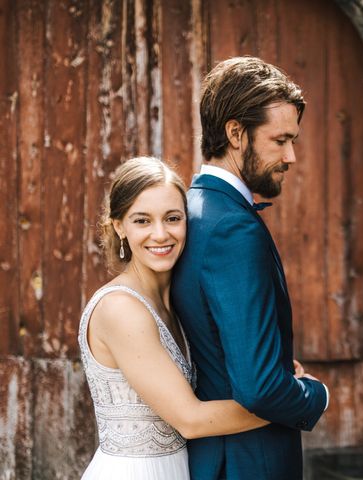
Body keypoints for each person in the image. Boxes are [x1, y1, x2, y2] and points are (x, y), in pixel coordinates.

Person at [171, 56, 329, 480]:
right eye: (280, 140)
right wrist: (316, 394)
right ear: (236, 133)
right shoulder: (232, 228)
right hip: (247, 462)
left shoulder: (192, 209)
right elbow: (258, 386)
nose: (291, 156)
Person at [78, 157, 276, 480]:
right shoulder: (120, 309)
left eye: (172, 218)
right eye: (142, 221)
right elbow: (191, 419)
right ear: (119, 226)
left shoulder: (176, 303)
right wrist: (286, 400)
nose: (160, 234)